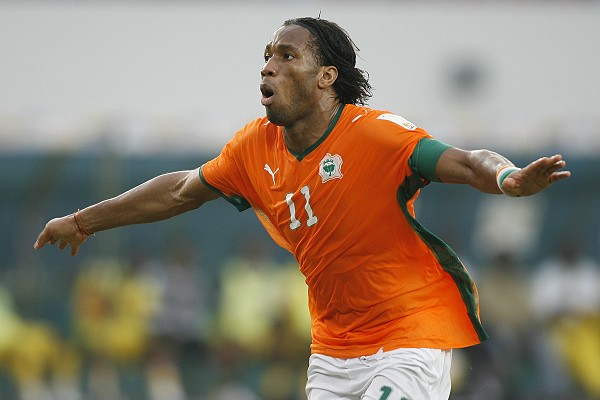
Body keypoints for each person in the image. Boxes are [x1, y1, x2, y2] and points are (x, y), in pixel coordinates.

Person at [34, 17, 571, 400]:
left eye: (286, 56)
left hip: (409, 333)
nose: (268, 67)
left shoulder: (375, 135)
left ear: (326, 77)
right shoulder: (253, 148)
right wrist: (83, 221)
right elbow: (179, 191)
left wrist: (509, 178)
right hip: (333, 350)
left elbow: (468, 161)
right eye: (267, 56)